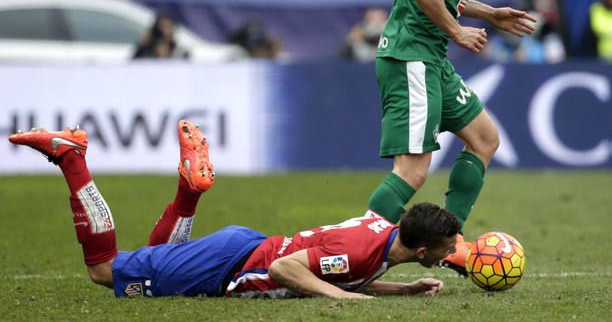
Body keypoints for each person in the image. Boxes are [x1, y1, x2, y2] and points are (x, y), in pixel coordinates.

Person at [8, 121, 457, 299]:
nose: (448, 253)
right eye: (445, 247)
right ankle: (71, 158)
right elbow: (286, 269)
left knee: (151, 257)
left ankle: (188, 192)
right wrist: (346, 300)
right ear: (422, 250)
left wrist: (407, 290)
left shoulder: (384, 240)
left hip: (239, 249)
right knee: (105, 272)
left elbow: (343, 274)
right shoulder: (363, 249)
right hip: (228, 265)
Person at [370, 0, 536, 275]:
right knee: (412, 172)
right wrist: (459, 31)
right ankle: (357, 255)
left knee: (484, 138)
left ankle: (452, 244)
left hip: (429, 57)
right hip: (412, 55)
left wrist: (489, 14)